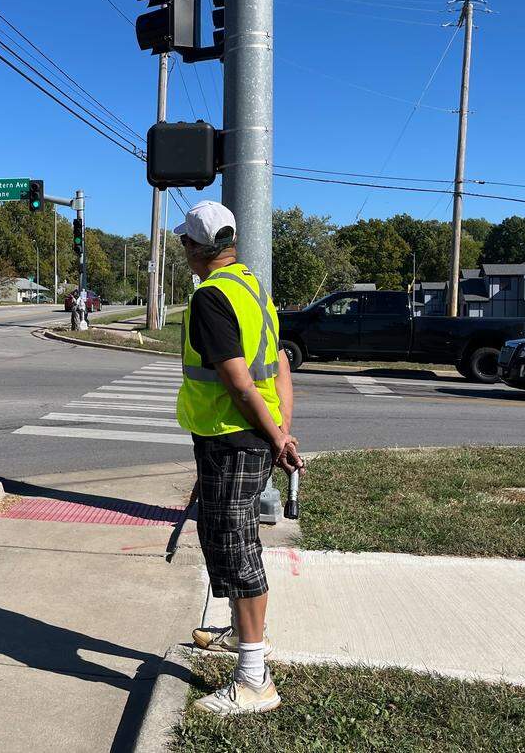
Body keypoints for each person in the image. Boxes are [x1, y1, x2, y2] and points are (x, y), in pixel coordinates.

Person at [173, 200, 303, 716]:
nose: (182, 246)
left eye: (184, 240)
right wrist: (282, 431)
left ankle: (254, 679)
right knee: (226, 538)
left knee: (236, 544)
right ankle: (241, 634)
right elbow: (282, 367)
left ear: (197, 248)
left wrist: (274, 438)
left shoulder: (211, 297)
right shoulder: (250, 286)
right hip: (249, 434)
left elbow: (237, 379)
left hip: (234, 437)